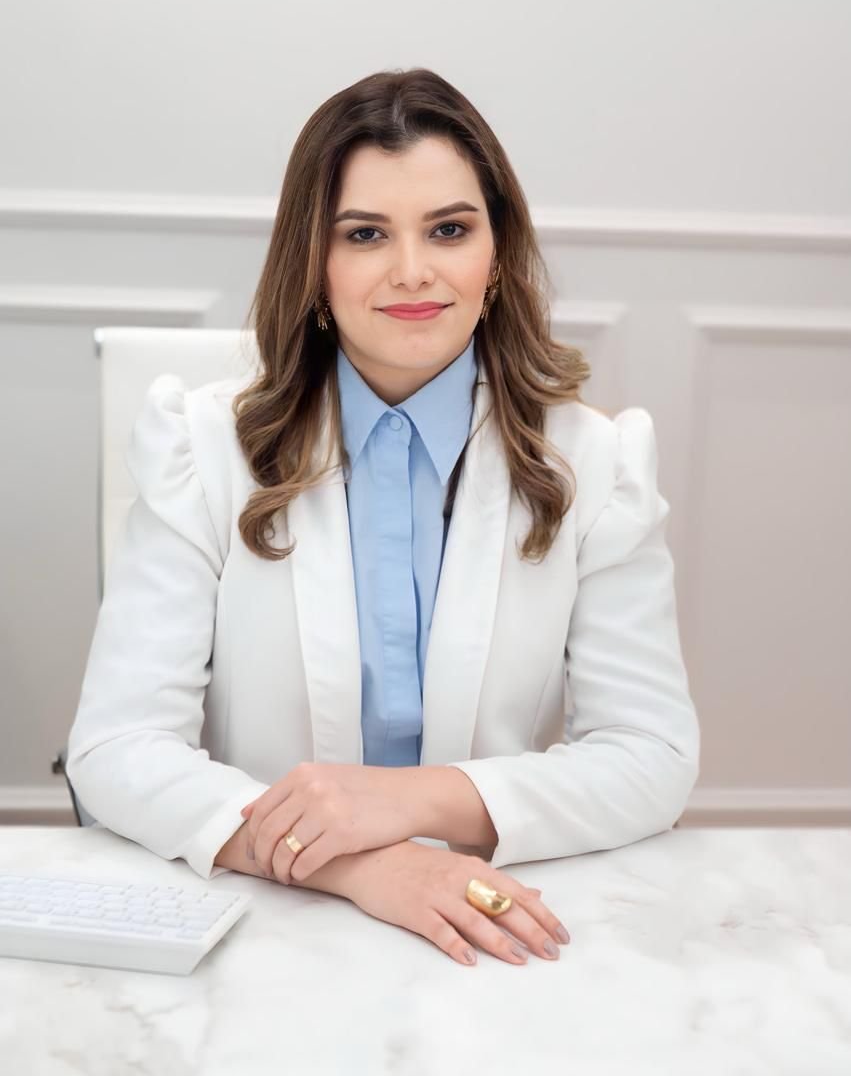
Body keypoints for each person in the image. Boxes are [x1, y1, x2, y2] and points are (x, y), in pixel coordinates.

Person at [66, 67, 700, 969]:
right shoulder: (199, 447)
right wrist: (365, 865)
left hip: (500, 931)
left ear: (496, 254)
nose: (412, 271)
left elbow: (649, 754)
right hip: (263, 927)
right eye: (364, 234)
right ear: (314, 265)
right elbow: (118, 747)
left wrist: (407, 803)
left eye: (449, 229)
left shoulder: (596, 462)